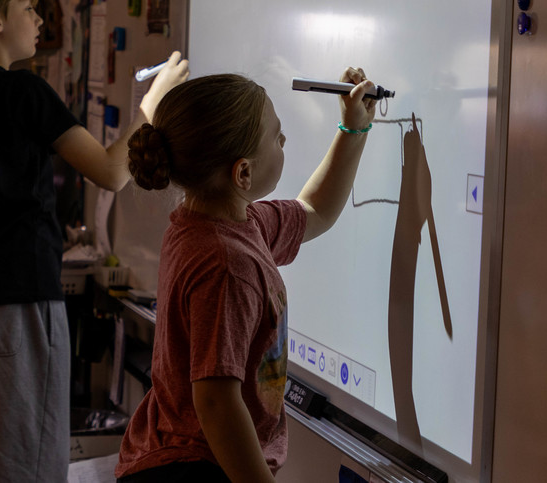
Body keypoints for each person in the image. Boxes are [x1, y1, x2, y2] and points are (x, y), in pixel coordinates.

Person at [0, 0, 189, 483]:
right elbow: (110, 172)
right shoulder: (24, 92)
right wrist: (152, 105)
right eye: (29, 9)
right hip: (21, 300)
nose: (40, 21)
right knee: (23, 463)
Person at [115, 69, 378, 483]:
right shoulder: (225, 263)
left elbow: (315, 211)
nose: (285, 141)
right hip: (194, 467)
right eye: (277, 137)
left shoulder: (227, 224)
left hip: (190, 455)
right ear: (243, 175)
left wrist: (351, 129)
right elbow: (217, 402)